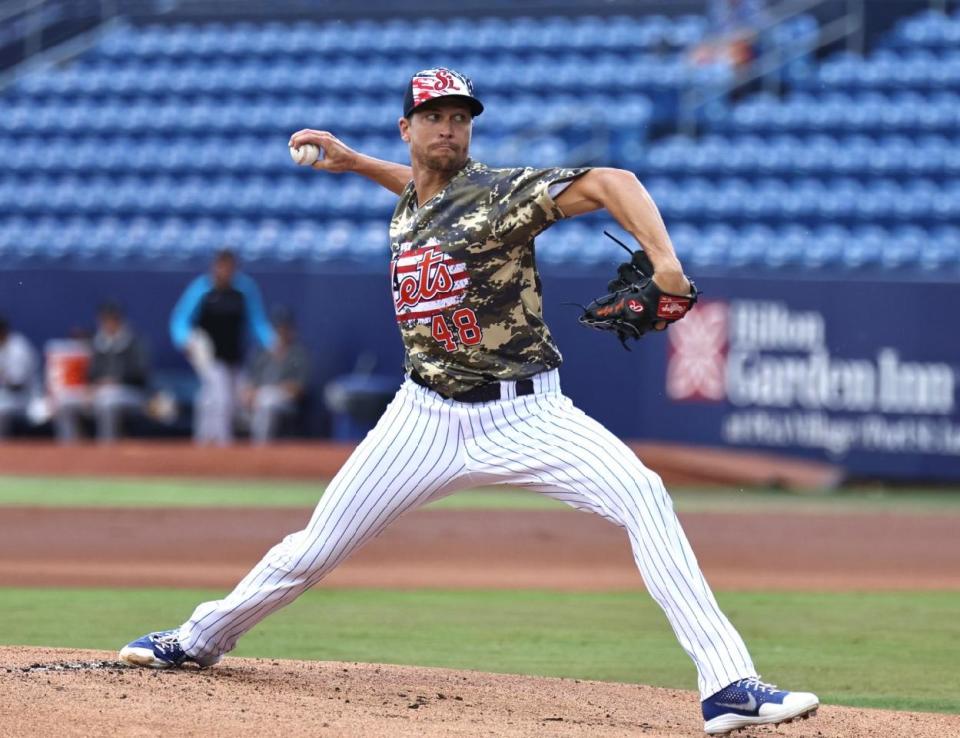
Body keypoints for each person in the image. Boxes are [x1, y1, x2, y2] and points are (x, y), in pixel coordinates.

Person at [120, 68, 818, 736]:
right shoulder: (412, 201)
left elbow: (614, 181)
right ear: (407, 128)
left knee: (643, 494)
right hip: (421, 416)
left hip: (526, 415)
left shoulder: (498, 193)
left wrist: (665, 262)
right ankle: (199, 638)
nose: (450, 129)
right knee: (314, 547)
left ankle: (727, 685)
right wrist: (354, 161)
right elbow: (418, 192)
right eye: (435, 117)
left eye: (460, 118)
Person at [169, 249, 275, 446]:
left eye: (229, 266)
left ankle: (203, 440)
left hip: (235, 355)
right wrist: (183, 339)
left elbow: (257, 319)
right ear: (214, 267)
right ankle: (222, 445)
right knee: (221, 398)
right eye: (221, 266)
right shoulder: (202, 289)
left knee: (222, 400)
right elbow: (181, 318)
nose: (225, 271)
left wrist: (270, 340)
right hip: (209, 355)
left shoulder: (244, 289)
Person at [53, 302, 150, 443]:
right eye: (104, 320)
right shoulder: (97, 343)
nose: (108, 324)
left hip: (131, 393)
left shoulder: (135, 342)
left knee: (108, 401)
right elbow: (91, 375)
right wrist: (89, 389)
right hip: (99, 392)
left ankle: (106, 449)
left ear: (119, 320)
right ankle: (70, 449)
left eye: (112, 319)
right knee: (65, 401)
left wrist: (114, 381)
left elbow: (140, 376)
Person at [241, 309, 311, 444]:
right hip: (259, 396)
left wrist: (272, 390)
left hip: (283, 398)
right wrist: (250, 393)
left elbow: (298, 389)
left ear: (290, 330)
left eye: (283, 329)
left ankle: (260, 447)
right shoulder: (263, 353)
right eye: (277, 329)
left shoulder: (298, 354)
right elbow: (250, 382)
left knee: (267, 402)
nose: (280, 333)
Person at [0, 316, 39, 438]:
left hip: (24, 398)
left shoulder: (19, 348)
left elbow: (17, 385)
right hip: (6, 395)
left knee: (1, 410)